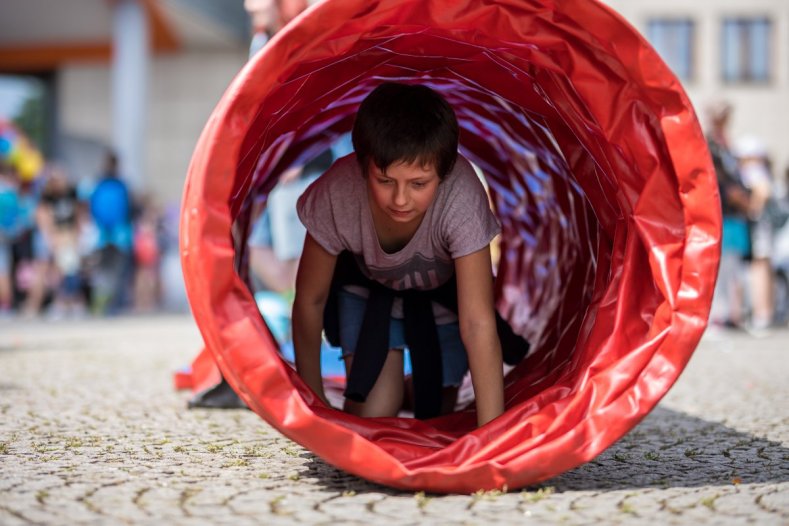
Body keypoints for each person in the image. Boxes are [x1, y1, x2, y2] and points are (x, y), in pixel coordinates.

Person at [293, 83, 516, 427]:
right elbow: (310, 299)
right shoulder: (339, 192)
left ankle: (409, 387)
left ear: (444, 173)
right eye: (384, 180)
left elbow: (477, 320)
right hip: (367, 291)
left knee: (439, 412)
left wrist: (493, 434)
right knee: (376, 413)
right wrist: (313, 401)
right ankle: (391, 388)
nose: (400, 200)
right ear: (362, 163)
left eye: (418, 184)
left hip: (440, 297)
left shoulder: (461, 196)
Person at [707, 101, 751, 329]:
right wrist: (734, 194)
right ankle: (718, 316)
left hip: (734, 214)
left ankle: (733, 314)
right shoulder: (711, 143)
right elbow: (716, 176)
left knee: (733, 266)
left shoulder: (727, 145)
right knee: (720, 266)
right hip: (721, 211)